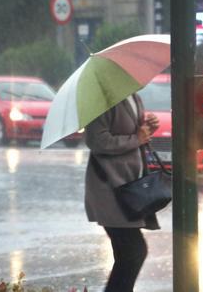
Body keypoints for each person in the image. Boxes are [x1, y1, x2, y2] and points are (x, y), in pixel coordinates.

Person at [84, 93, 161, 292]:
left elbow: (133, 132)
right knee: (134, 251)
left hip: (128, 185)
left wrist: (147, 126)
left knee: (127, 254)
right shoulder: (102, 100)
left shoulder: (133, 96)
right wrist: (136, 138)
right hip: (109, 187)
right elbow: (96, 141)